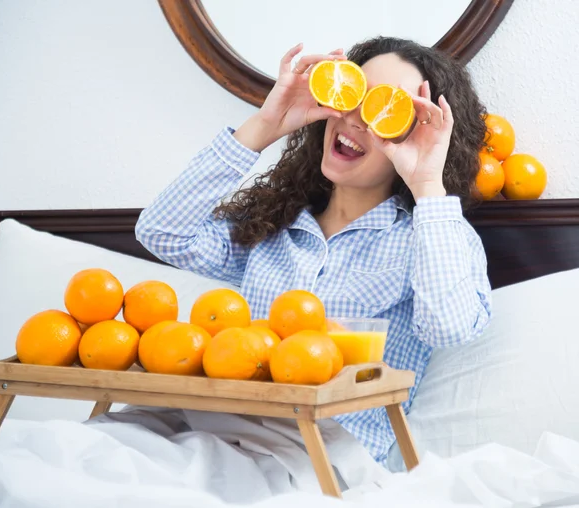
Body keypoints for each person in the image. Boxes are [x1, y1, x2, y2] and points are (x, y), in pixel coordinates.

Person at [135, 36, 492, 466]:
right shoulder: (272, 226)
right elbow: (161, 233)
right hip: (203, 429)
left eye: (387, 110)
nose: (357, 120)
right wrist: (266, 124)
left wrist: (428, 184)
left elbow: (449, 328)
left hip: (313, 459)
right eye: (354, 95)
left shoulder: (431, 237)